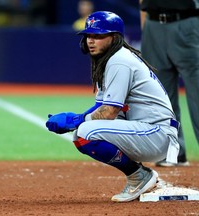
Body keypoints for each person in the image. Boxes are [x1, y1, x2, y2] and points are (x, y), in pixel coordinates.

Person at [46, 11, 180, 202]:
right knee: (82, 132)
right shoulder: (110, 59)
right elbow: (101, 107)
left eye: (99, 36)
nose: (91, 41)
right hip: (149, 130)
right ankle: (139, 174)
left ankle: (139, 176)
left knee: (85, 133)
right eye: (89, 36)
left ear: (115, 37)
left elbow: (109, 113)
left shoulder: (119, 61)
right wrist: (77, 119)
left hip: (158, 133)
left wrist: (74, 120)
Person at [139, 0, 199, 166]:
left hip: (187, 23)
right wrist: (145, 27)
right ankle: (173, 152)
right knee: (161, 94)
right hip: (153, 25)